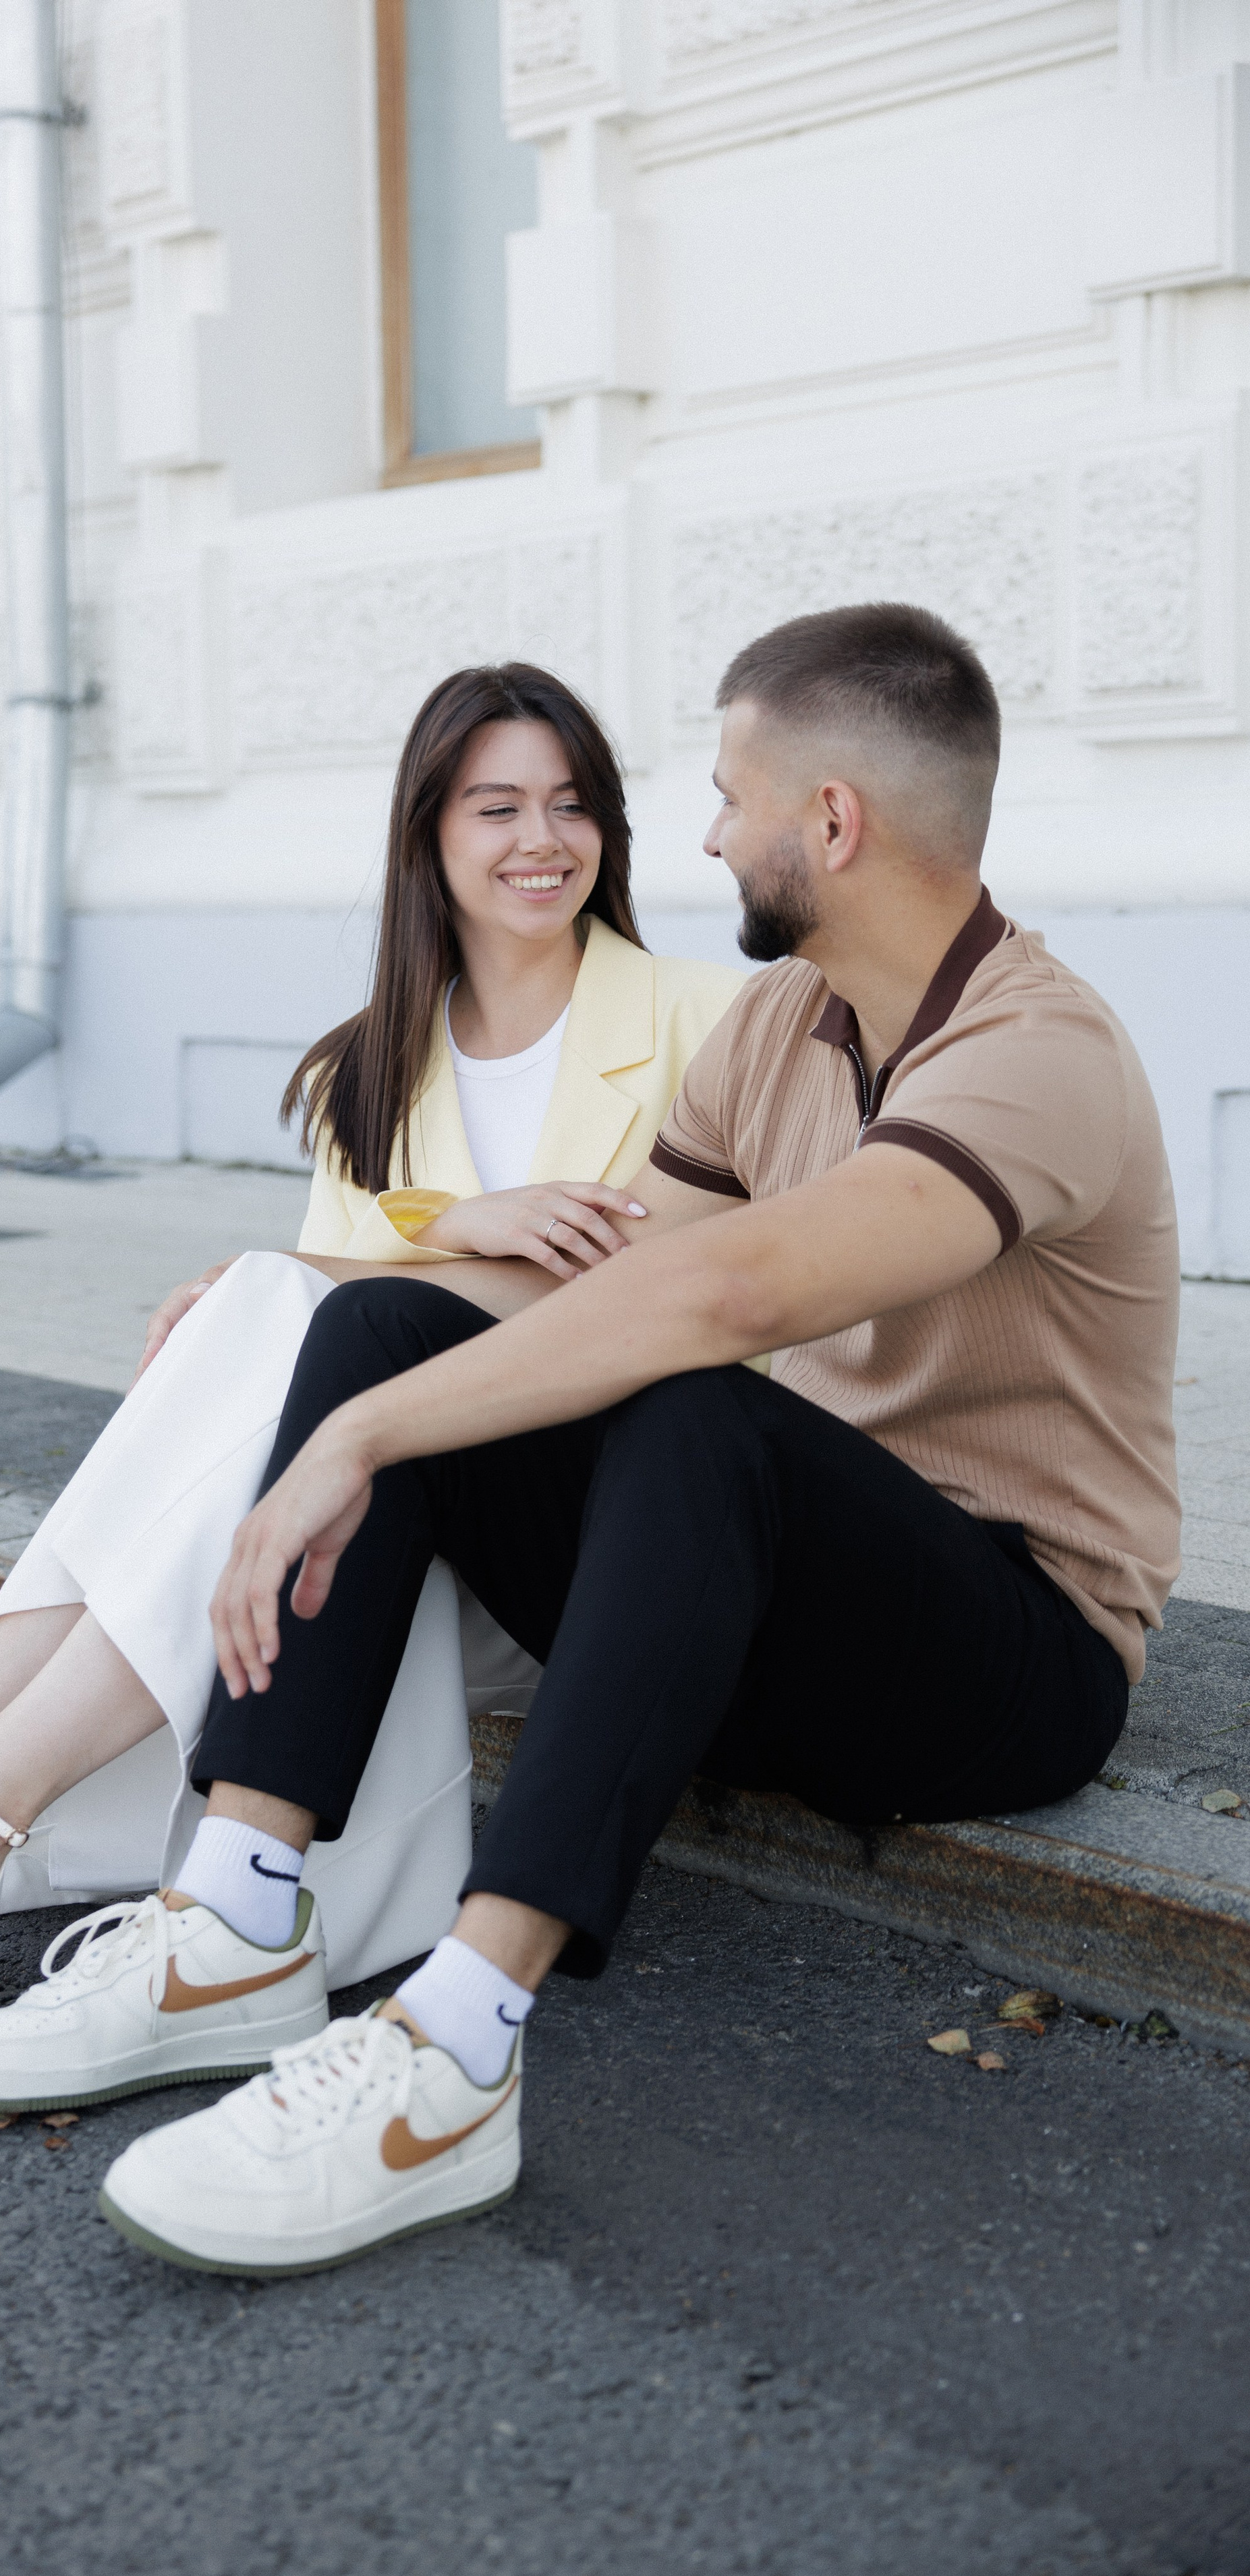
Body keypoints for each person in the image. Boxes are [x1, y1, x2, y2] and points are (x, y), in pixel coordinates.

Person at [87, 599, 1181, 2277]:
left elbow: (723, 1292)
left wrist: (357, 1442)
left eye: (731, 795)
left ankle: (454, 2047)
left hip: (1010, 1655)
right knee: (388, 1328)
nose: (706, 834)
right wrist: (319, 1305)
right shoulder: (777, 1024)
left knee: (691, 1406)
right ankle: (234, 1915)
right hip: (770, 1605)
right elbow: (597, 1284)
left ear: (831, 820)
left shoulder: (1037, 1052)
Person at [0, 662, 743, 2074]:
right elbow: (325, 1360)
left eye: (572, 804)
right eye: (497, 808)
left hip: (576, 1539)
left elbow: (652, 1302)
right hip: (379, 1534)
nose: (541, 840)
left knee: (268, 1297)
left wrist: (420, 1234)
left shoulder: (707, 1022)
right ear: (427, 834)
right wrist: (376, 1254)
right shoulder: (364, 1070)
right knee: (257, 1313)